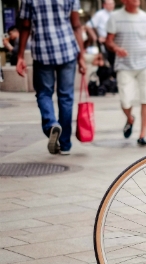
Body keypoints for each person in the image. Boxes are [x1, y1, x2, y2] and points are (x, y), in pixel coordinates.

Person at [15, 0, 86, 155]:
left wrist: (20, 56)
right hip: (67, 49)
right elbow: (76, 25)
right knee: (66, 97)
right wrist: (82, 56)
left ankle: (51, 124)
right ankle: (65, 144)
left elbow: (25, 26)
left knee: (44, 93)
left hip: (42, 51)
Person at [105, 0, 146, 146]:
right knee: (125, 100)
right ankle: (130, 118)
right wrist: (117, 48)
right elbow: (108, 41)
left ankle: (143, 135)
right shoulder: (115, 17)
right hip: (124, 66)